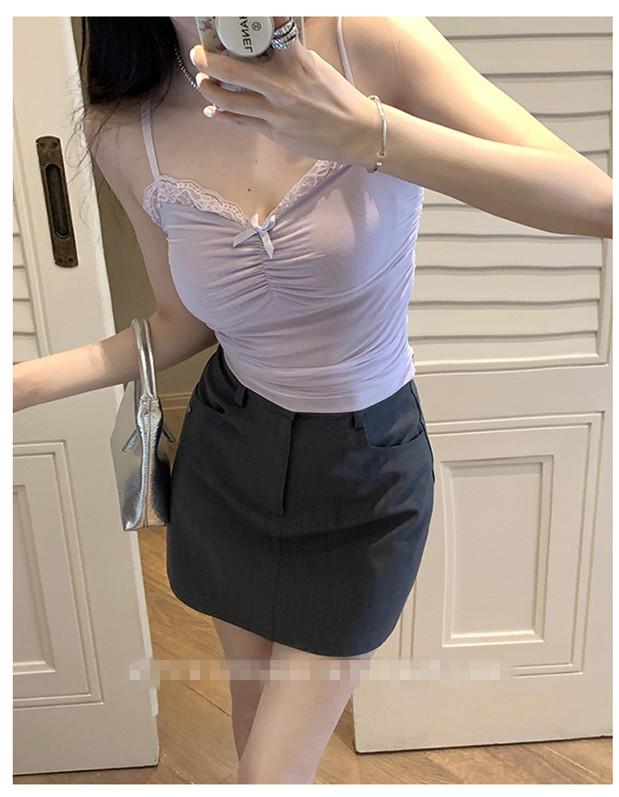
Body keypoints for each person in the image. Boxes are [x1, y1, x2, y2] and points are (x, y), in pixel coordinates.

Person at [13, 16, 612, 785]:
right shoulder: (126, 125)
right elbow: (181, 322)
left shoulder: (369, 40)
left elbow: (596, 203)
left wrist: (369, 133)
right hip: (229, 454)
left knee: (270, 767)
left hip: (366, 467)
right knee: (251, 715)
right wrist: (20, 385)